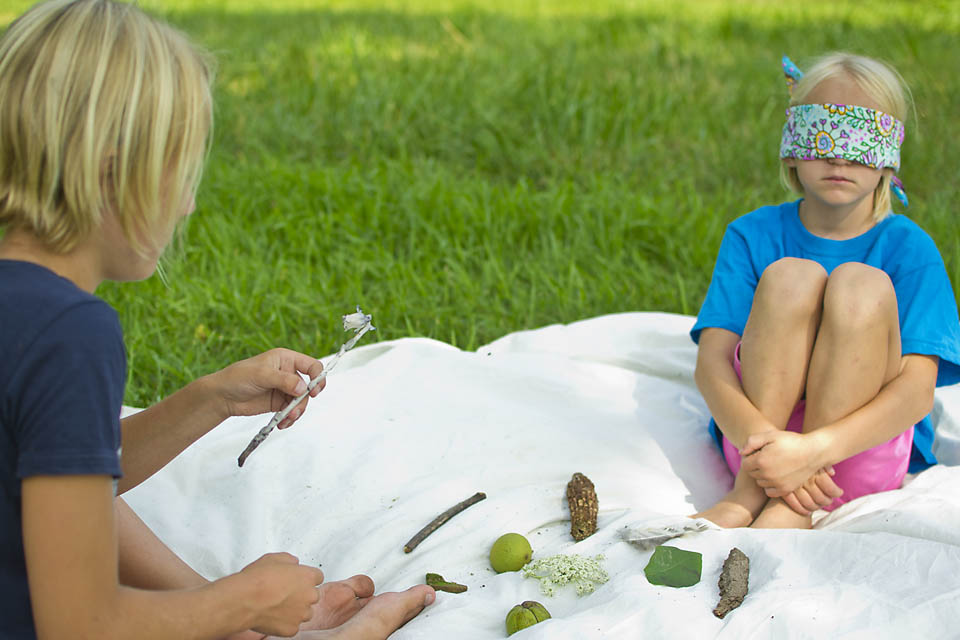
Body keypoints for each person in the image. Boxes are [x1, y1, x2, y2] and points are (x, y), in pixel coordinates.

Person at [0, 1, 434, 638]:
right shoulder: (70, 333)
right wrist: (243, 604)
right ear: (114, 167)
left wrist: (209, 400)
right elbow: (82, 624)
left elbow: (50, 466)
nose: (189, 203)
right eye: (179, 167)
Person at [689, 52, 960, 530]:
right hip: (755, 451)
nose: (839, 155)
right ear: (792, 144)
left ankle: (793, 507)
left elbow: (918, 390)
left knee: (860, 284)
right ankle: (752, 497)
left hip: (853, 457)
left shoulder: (909, 250)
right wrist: (766, 455)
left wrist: (813, 451)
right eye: (822, 135)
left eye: (860, 140)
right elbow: (712, 362)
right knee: (792, 276)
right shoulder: (751, 235)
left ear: (888, 158)